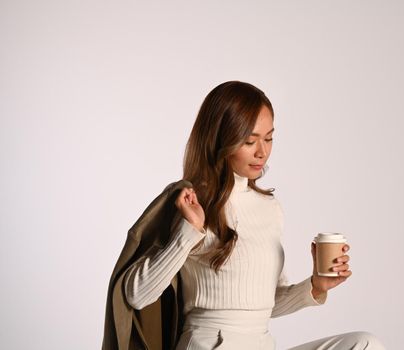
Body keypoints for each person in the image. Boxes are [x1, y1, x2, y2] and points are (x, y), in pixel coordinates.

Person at [121, 81, 385, 349]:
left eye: (269, 138)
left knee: (365, 344)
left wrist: (316, 286)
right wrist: (189, 231)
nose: (262, 152)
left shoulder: (269, 207)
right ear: (220, 140)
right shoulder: (190, 202)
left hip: (261, 343)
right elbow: (137, 295)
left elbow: (265, 303)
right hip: (211, 343)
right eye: (249, 141)